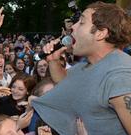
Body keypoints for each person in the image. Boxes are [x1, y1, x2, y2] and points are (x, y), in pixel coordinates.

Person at [32, 2, 131, 135]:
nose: (73, 26)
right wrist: (53, 60)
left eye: (82, 22)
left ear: (101, 33)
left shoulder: (121, 75)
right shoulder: (88, 65)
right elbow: (65, 83)